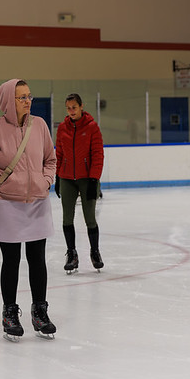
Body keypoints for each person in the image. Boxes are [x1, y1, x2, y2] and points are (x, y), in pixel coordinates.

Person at [0, 78, 57, 341]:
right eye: (21, 97)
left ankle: (40, 311)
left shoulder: (40, 125)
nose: (27, 101)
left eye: (29, 96)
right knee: (11, 261)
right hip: (6, 203)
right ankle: (10, 312)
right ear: (7, 101)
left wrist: (46, 181)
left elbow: (50, 159)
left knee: (37, 259)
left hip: (37, 203)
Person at [55, 93, 105, 273]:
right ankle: (72, 253)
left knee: (90, 218)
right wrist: (57, 176)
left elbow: (98, 154)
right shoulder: (62, 128)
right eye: (68, 108)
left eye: (74, 108)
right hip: (67, 178)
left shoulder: (92, 127)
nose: (71, 111)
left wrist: (94, 179)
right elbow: (59, 153)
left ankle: (95, 252)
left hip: (87, 179)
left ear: (81, 106)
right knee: (67, 218)